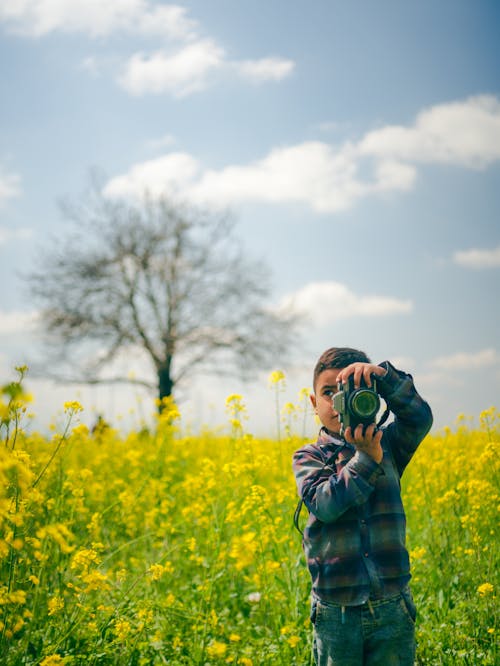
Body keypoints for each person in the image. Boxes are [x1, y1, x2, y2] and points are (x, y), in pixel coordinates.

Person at [292, 347, 433, 666]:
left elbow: (419, 418)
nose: (337, 401)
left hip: (392, 604)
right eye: (328, 392)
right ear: (314, 404)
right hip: (335, 611)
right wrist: (367, 459)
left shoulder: (390, 443)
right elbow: (326, 505)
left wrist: (383, 377)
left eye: (348, 390)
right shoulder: (308, 457)